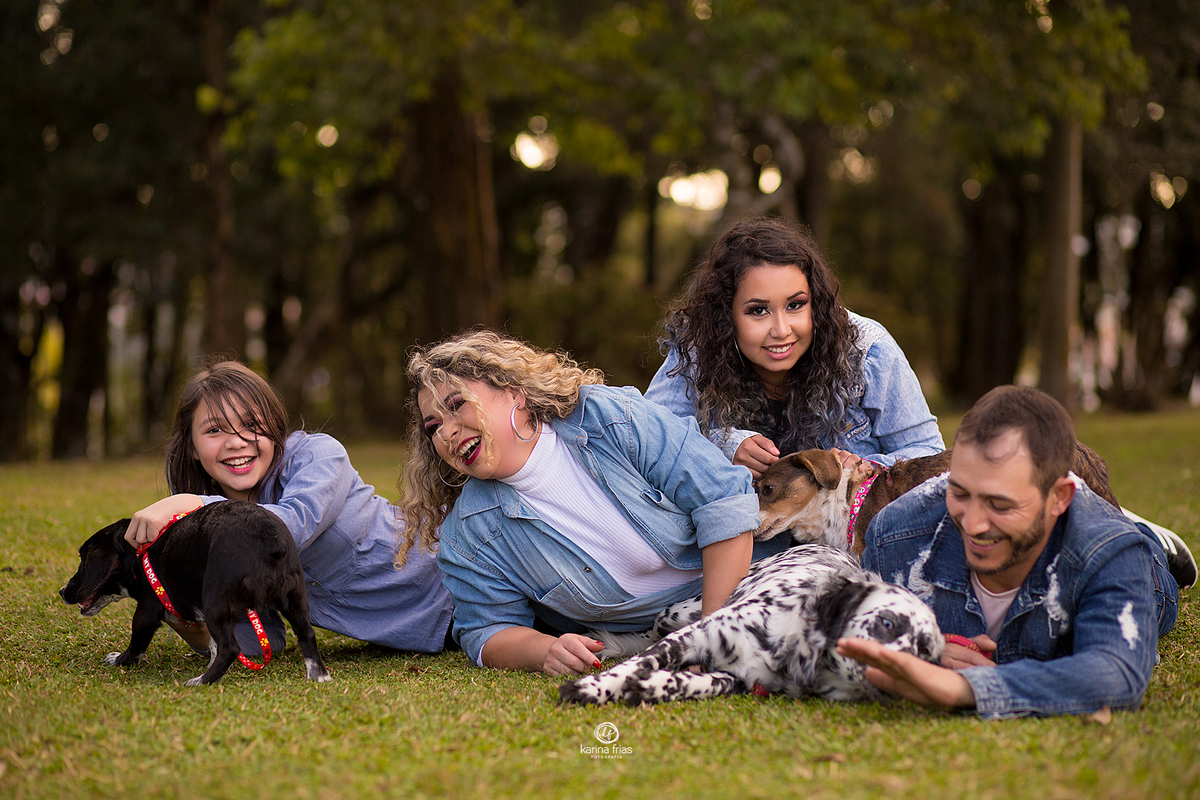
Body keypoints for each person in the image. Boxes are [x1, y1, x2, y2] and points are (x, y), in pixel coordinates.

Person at [397, 330, 790, 676]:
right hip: (661, 632)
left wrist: (711, 638)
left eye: (456, 405)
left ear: (513, 391)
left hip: (761, 577)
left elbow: (722, 502)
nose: (447, 431)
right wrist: (545, 650)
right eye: (434, 426)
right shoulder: (468, 537)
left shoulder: (609, 418)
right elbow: (486, 631)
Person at [837, 385, 1193, 718]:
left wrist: (965, 688)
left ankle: (1148, 535)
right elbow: (854, 636)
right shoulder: (894, 536)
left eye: (1000, 504)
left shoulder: (1110, 550)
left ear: (1059, 499)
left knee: (1150, 576)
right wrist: (922, 645)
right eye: (960, 493)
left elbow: (1116, 670)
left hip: (1138, 563)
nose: (974, 523)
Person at [125, 358, 453, 657]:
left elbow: (289, 528)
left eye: (251, 424)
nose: (236, 441)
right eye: (214, 430)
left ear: (274, 425)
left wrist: (195, 503)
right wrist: (192, 623)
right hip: (453, 630)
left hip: (469, 568)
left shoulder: (319, 456)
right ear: (193, 447)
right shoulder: (218, 545)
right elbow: (263, 638)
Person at [647, 216, 944, 477]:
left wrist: (863, 469)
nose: (781, 330)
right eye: (758, 310)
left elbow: (930, 454)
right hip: (743, 530)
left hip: (850, 535)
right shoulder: (700, 347)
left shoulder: (868, 351)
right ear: (726, 316)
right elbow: (648, 436)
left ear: (815, 303)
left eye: (795, 305)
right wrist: (725, 447)